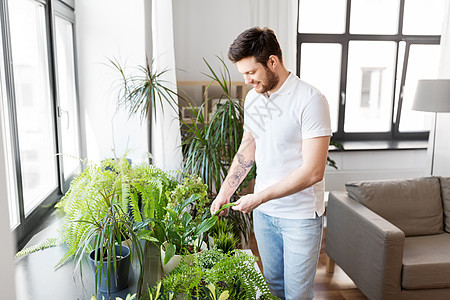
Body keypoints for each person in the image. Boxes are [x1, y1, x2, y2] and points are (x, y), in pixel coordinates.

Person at [210, 27, 332, 300]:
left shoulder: (311, 100)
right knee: (273, 290)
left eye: (251, 72)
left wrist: (258, 197)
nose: (247, 80)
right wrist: (224, 193)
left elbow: (313, 171)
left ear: (272, 62)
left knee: (297, 295)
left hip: (299, 218)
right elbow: (247, 149)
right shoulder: (253, 99)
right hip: (265, 216)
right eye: (243, 74)